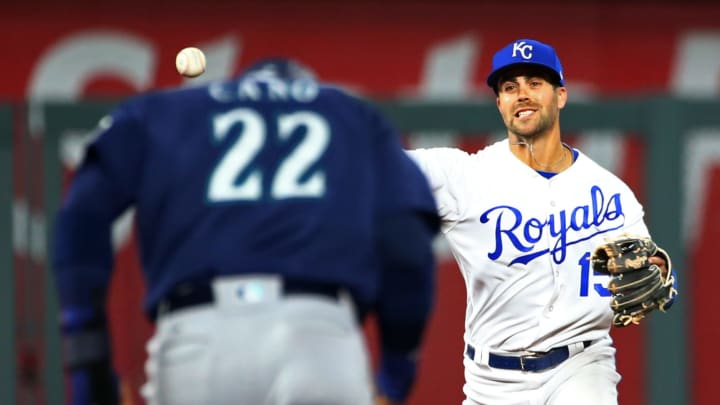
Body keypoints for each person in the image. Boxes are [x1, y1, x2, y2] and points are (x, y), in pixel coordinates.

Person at [51, 57, 439, 405]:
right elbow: (405, 243)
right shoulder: (352, 115)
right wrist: (395, 371)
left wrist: (87, 353)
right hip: (320, 336)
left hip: (197, 339)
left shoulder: (160, 110)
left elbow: (81, 217)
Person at [406, 39, 678, 404]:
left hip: (582, 364)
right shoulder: (462, 176)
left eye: (535, 83)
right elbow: (376, 164)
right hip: (492, 381)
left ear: (560, 95)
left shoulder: (609, 191)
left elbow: (649, 269)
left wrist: (658, 269)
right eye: (509, 87)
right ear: (499, 103)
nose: (522, 94)